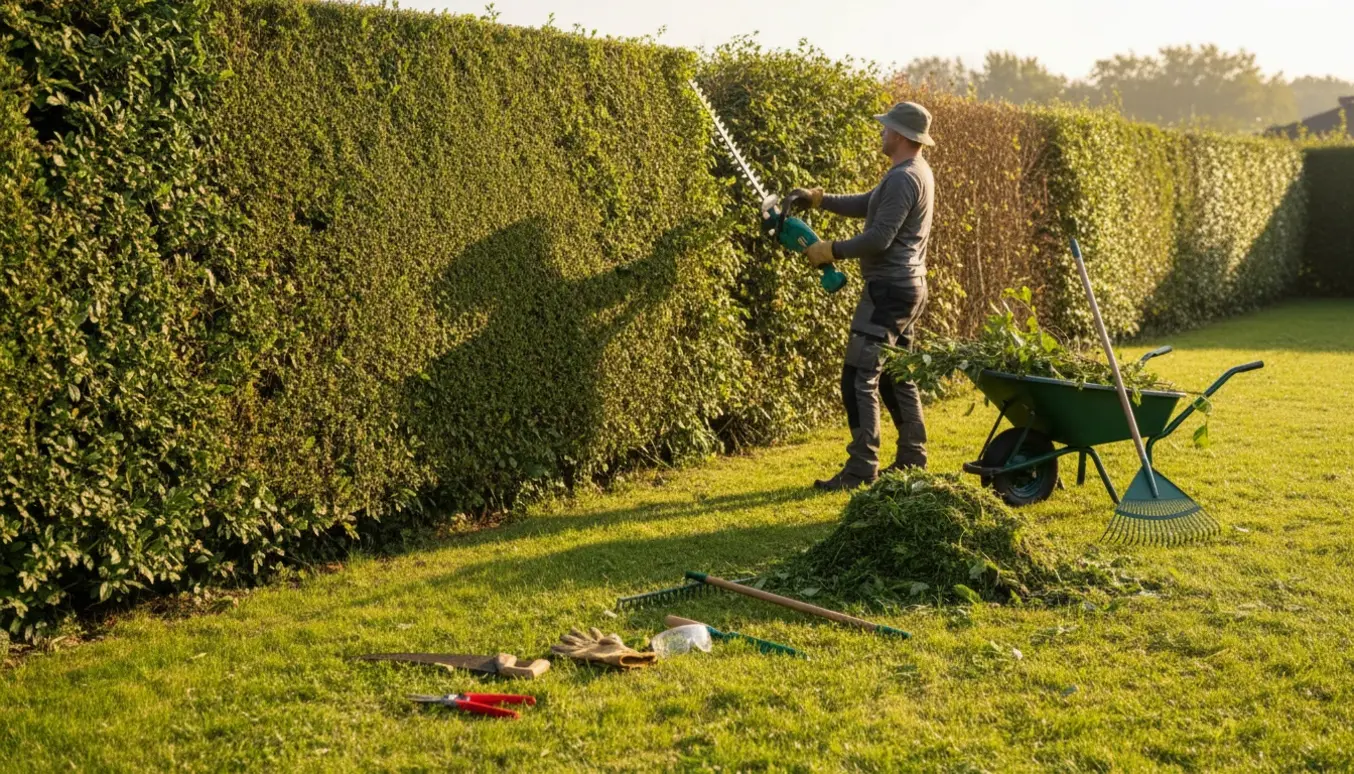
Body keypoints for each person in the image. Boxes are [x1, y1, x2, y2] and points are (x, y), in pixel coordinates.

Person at [793, 101, 936, 491]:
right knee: (897, 374)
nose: (882, 132)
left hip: (889, 291)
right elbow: (866, 204)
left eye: (887, 128)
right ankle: (911, 459)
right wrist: (819, 199)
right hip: (907, 287)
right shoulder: (911, 172)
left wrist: (830, 250)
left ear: (902, 136)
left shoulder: (904, 178)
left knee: (859, 374)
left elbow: (878, 238)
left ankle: (861, 468)